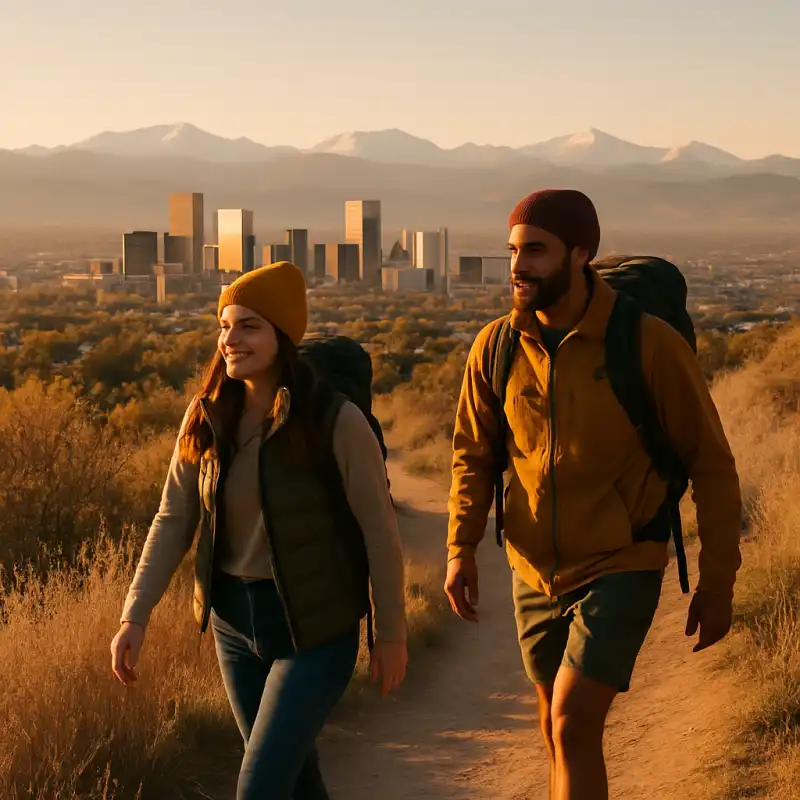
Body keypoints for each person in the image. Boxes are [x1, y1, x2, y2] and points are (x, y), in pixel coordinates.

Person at [444, 189, 742, 800]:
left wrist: (717, 582)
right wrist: (460, 548)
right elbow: (473, 457)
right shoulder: (497, 347)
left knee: (573, 721)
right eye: (512, 252)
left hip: (622, 557)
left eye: (535, 251)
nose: (519, 266)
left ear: (582, 254)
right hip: (532, 567)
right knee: (554, 732)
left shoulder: (648, 344)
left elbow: (711, 464)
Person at [110, 261, 408, 800]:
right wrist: (136, 613)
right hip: (233, 624)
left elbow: (379, 532)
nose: (230, 339)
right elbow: (174, 518)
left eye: (248, 326)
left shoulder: (334, 421)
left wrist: (390, 635)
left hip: (314, 630)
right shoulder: (206, 414)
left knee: (259, 787)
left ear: (282, 335)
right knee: (295, 781)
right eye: (224, 325)